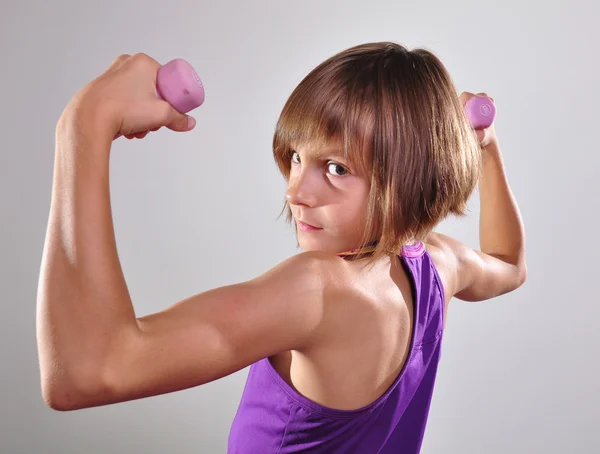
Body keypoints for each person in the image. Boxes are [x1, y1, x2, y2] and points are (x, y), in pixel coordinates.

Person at [36, 42, 527, 453]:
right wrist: (487, 149)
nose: (295, 192)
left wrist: (84, 124)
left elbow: (86, 372)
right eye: (296, 157)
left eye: (337, 168)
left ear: (411, 178)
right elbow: (509, 264)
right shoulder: (440, 264)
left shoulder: (316, 292)